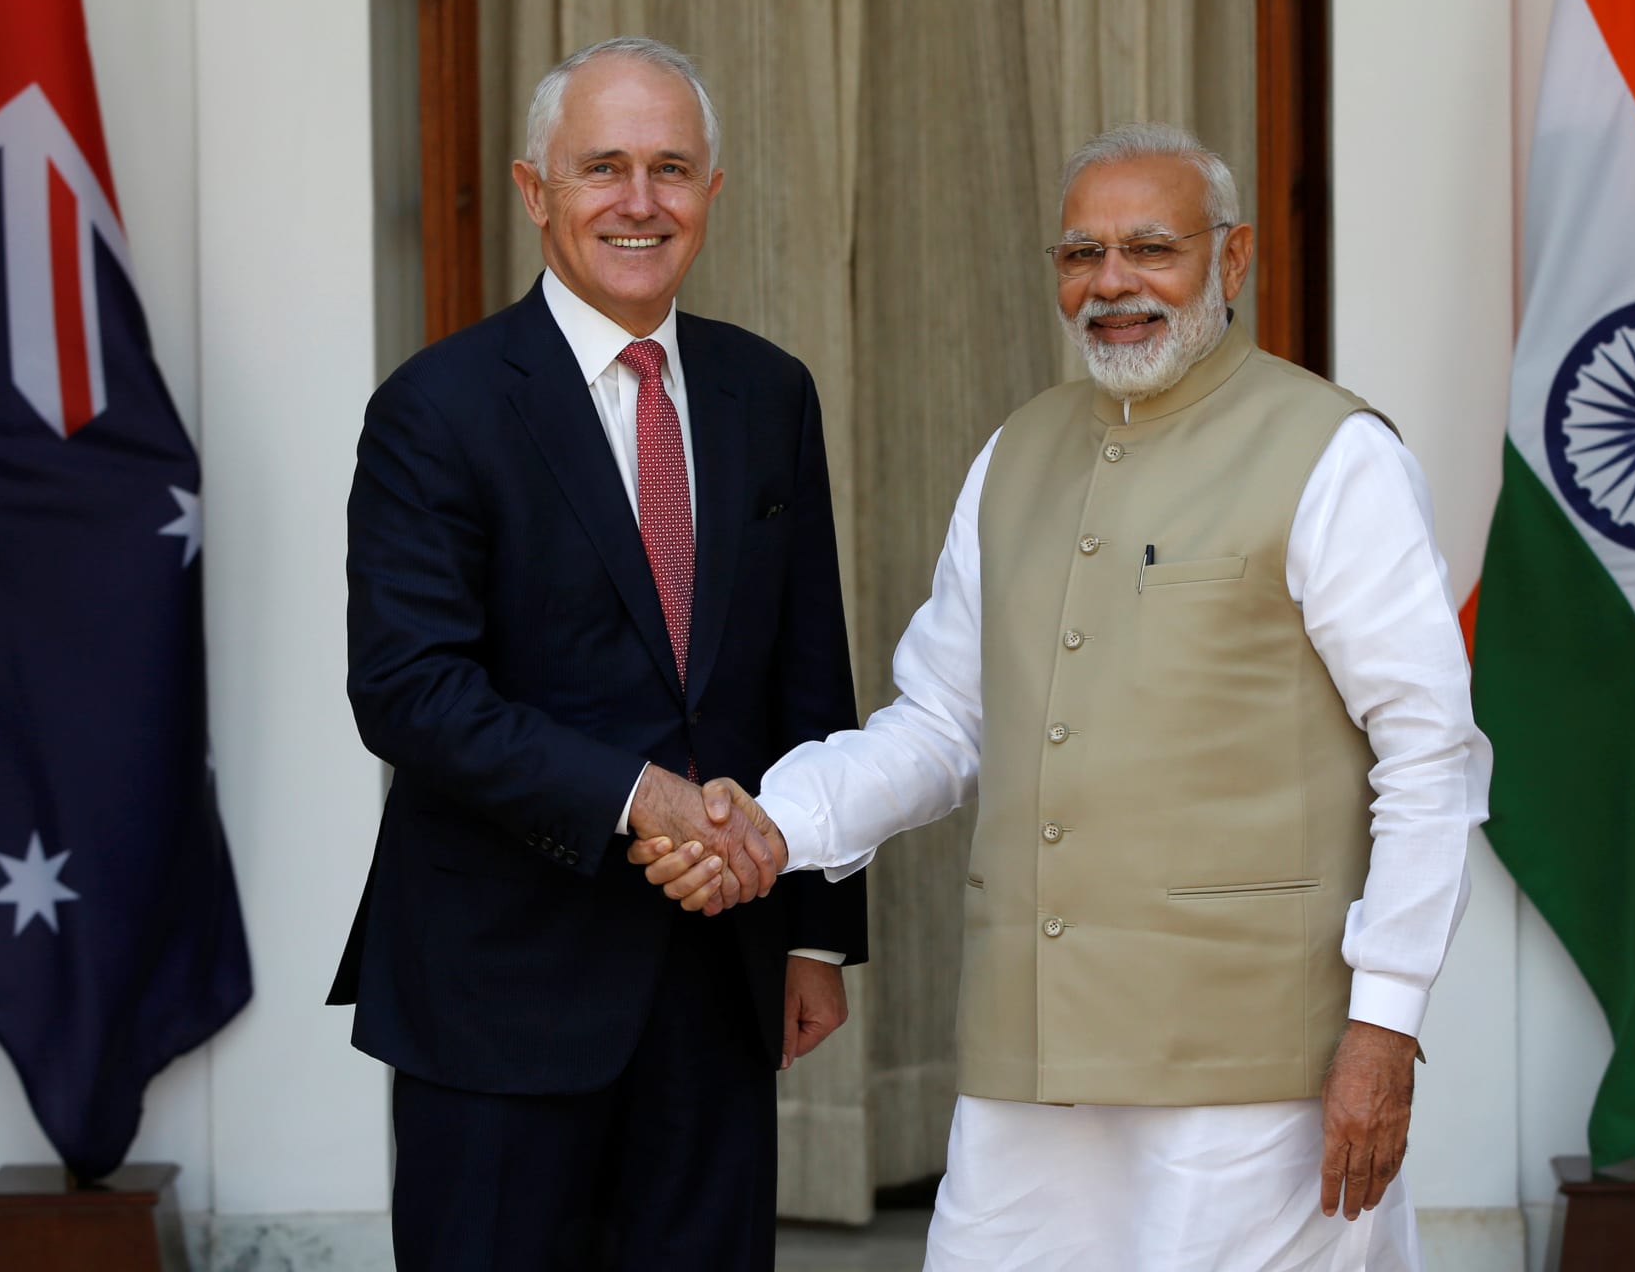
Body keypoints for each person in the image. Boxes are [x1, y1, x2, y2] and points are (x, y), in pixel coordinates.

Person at [638, 122, 1489, 1271]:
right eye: (1081, 253)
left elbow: (1431, 752)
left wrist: (1386, 1021)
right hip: (1030, 1059)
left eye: (1152, 248)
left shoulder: (1333, 455)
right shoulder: (1015, 453)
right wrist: (773, 822)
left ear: (1231, 263)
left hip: (1252, 1065)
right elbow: (940, 722)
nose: (1113, 284)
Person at [326, 37, 863, 1272]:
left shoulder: (767, 393)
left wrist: (817, 932)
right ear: (534, 192)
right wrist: (636, 797)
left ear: (712, 194)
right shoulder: (437, 405)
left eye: (671, 168)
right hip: (499, 985)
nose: (639, 201)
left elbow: (806, 673)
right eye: (602, 167)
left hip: (720, 975)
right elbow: (409, 688)